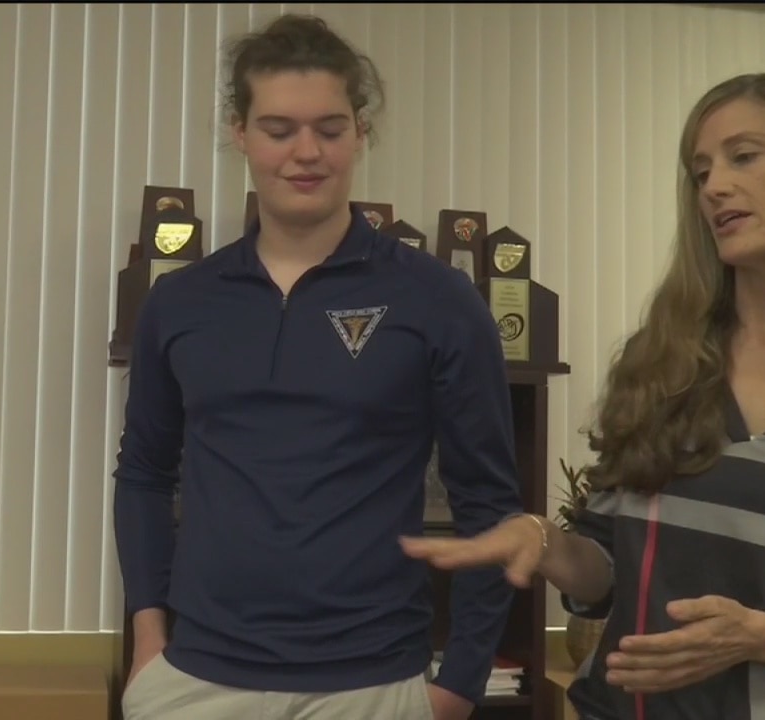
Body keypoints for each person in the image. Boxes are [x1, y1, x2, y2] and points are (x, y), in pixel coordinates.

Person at [400, 70, 765, 719]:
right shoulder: (661, 358)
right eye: (700, 171)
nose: (714, 186)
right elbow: (608, 572)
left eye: (744, 156)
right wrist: (545, 543)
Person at [112, 13, 524, 720]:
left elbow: (489, 501)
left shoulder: (438, 299)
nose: (306, 152)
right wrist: (148, 640)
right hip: (196, 680)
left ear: (360, 131)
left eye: (329, 129)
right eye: (279, 129)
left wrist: (459, 684)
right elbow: (144, 474)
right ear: (240, 133)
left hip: (372, 684)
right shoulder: (179, 303)